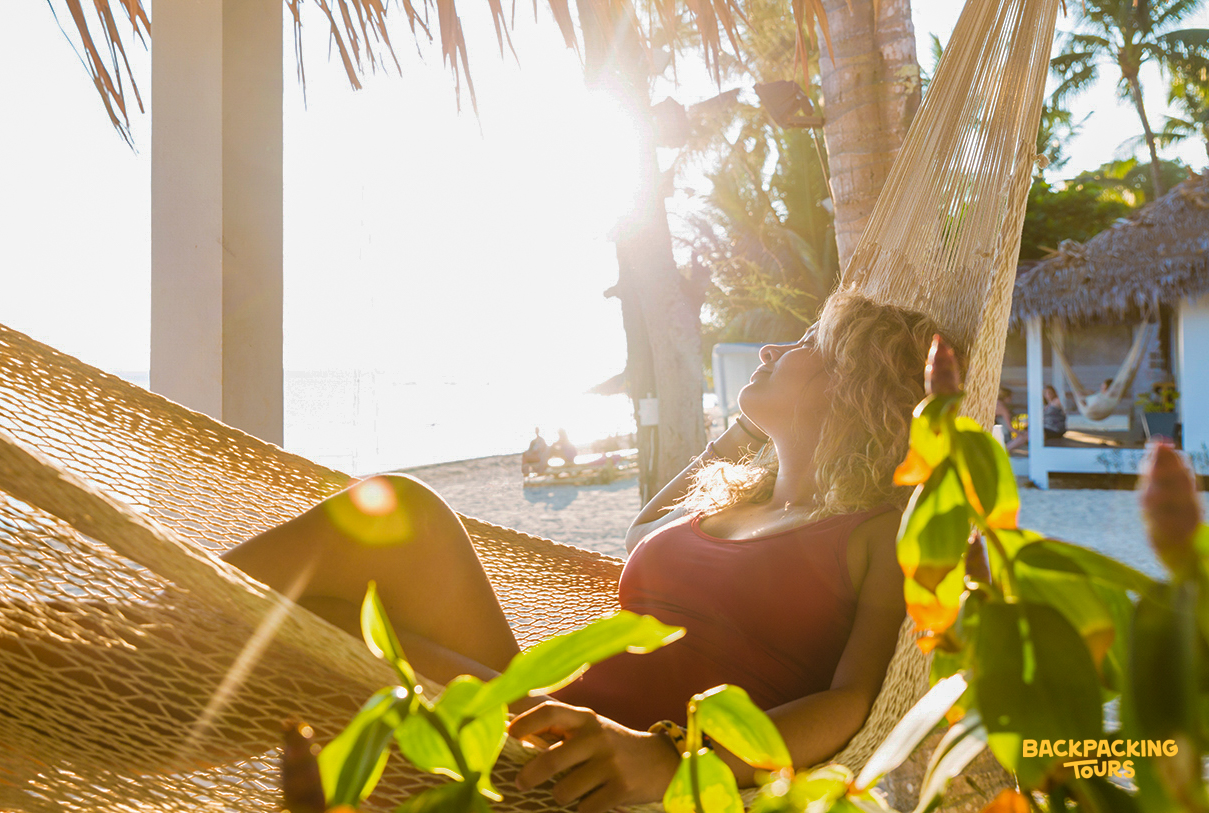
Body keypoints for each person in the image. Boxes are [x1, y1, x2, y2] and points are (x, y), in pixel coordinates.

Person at [221, 289, 944, 812]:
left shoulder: (880, 529)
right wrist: (746, 436)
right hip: (541, 714)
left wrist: (669, 755)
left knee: (353, 586)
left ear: (855, 386)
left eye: (807, 343)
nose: (771, 348)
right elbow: (643, 532)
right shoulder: (734, 502)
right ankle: (127, 664)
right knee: (354, 572)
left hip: (593, 766)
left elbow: (853, 701)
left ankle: (119, 678)